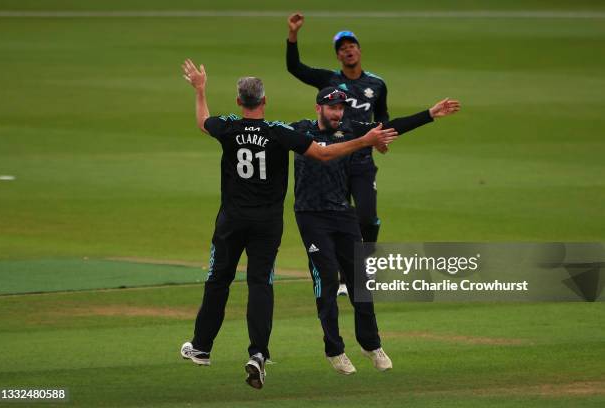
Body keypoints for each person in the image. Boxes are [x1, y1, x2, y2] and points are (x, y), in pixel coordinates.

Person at [178, 60, 399, 389]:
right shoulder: (280, 132)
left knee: (218, 280)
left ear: (240, 102)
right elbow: (324, 154)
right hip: (267, 222)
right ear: (264, 101)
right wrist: (363, 141)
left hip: (232, 219)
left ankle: (201, 347)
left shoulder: (228, 127)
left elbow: (202, 122)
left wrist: (199, 89)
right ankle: (258, 354)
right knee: (260, 284)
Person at [290, 87, 460, 374]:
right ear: (318, 108)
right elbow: (272, 137)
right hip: (311, 216)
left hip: (343, 213)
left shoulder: (352, 129)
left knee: (360, 280)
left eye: (341, 108)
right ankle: (335, 350)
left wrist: (430, 114)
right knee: (328, 280)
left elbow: (390, 128)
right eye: (332, 108)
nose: (338, 113)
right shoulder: (300, 130)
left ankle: (371, 345)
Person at [286, 12, 391, 296]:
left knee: (367, 217)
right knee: (340, 216)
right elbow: (294, 67)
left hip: (362, 159)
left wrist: (381, 138)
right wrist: (293, 35)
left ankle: (365, 263)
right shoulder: (329, 80)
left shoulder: (377, 85)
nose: (348, 50)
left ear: (359, 50)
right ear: (338, 56)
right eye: (342, 48)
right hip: (335, 159)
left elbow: (383, 117)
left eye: (351, 45)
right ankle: (346, 278)